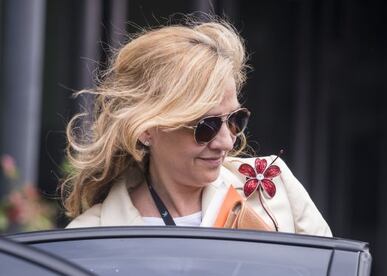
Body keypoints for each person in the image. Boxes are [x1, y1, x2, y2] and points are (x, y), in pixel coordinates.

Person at [62, 16, 332, 236]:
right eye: (207, 126)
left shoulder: (275, 186)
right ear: (145, 129)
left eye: (236, 120)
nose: (227, 142)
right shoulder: (88, 236)